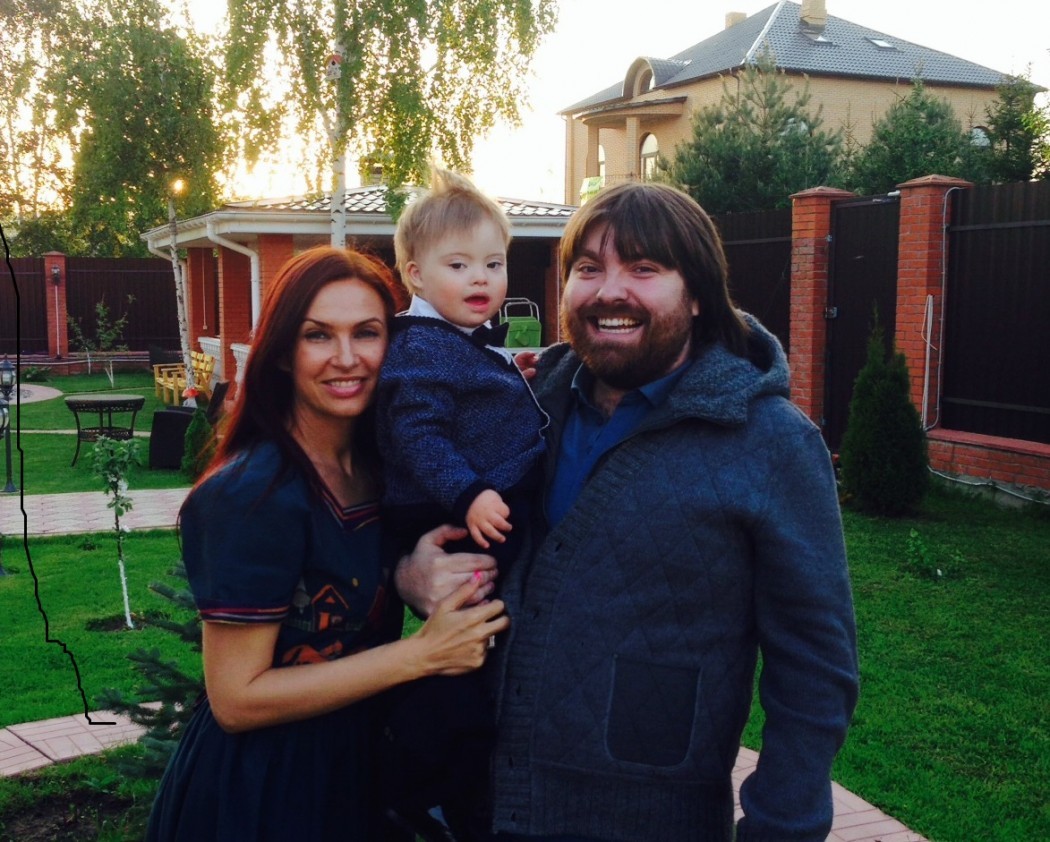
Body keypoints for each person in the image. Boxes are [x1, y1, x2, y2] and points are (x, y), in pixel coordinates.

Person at [399, 182, 859, 842]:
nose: (609, 291)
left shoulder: (772, 444)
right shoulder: (527, 404)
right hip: (483, 804)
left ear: (697, 294)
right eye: (588, 268)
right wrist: (406, 574)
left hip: (648, 820)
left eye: (644, 268)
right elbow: (406, 489)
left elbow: (814, 668)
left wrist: (782, 828)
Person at [146, 246, 508, 842]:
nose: (347, 358)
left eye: (367, 333)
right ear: (282, 352)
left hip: (360, 771)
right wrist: (421, 654)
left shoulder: (380, 469)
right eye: (318, 335)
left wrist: (404, 575)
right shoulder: (251, 495)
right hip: (262, 793)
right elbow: (236, 699)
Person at [374, 168, 547, 841]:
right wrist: (469, 492)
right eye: (459, 265)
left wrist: (514, 380)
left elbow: (469, 401)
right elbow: (417, 433)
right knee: (464, 653)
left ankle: (446, 774)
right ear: (415, 275)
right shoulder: (420, 347)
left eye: (494, 263)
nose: (482, 278)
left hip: (476, 505)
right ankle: (416, 779)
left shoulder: (456, 341)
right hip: (453, 517)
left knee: (479, 648)